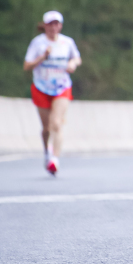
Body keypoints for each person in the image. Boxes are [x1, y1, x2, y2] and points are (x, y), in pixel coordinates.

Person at [23, 11, 81, 176]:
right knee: (46, 128)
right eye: (50, 24)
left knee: (57, 123)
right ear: (45, 25)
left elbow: (77, 58)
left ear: (60, 26)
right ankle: (47, 151)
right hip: (41, 87)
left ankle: (55, 159)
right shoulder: (38, 43)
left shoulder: (67, 42)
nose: (53, 27)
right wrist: (42, 57)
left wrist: (72, 64)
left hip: (61, 87)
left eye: (57, 24)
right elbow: (27, 66)